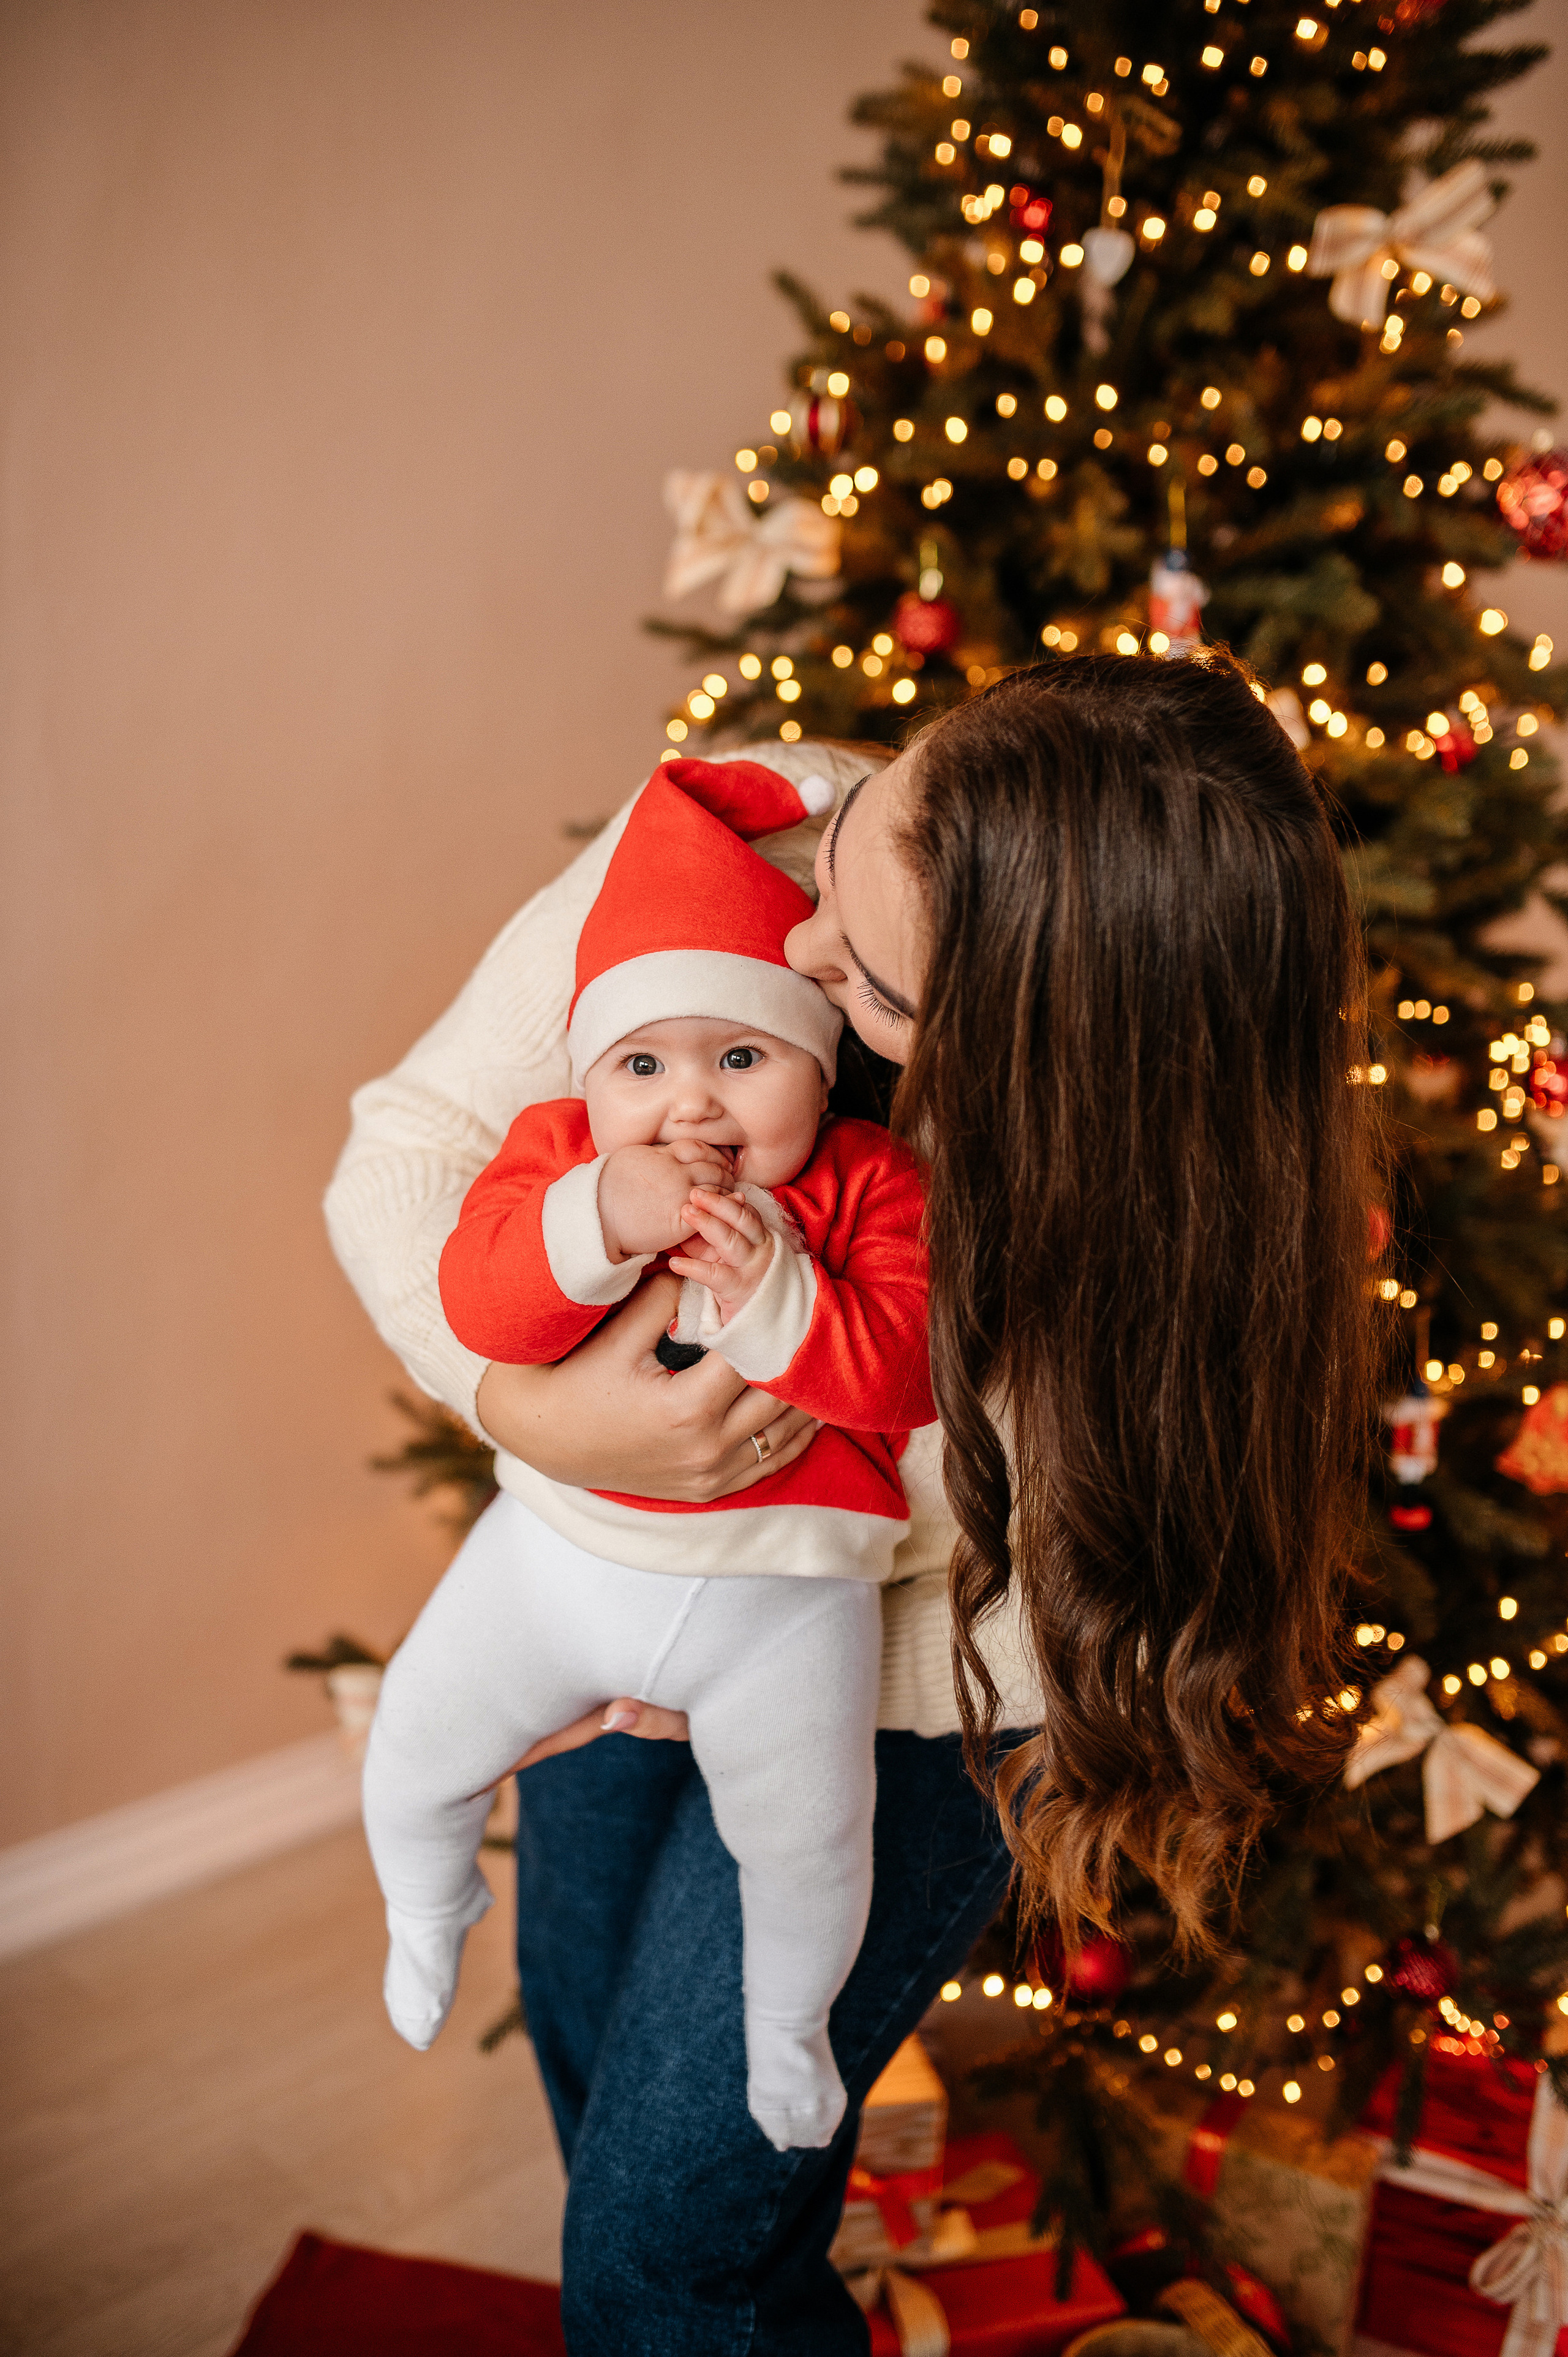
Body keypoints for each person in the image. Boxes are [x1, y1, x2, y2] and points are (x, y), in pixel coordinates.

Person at [325, 651, 1379, 2355]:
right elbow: (412, 1149)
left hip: (907, 1691)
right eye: (856, 840)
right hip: (610, 1557)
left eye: (876, 995)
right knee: (598, 2078)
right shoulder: (754, 833)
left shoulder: (1166, 1211)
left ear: (1052, 1068)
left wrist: (734, 1511)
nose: (799, 946)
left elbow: (1017, 1511)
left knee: (671, 2246)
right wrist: (536, 1412)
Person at [361, 757, 932, 2157]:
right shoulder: (560, 1153)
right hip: (558, 1559)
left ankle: (785, 2028)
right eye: (642, 1065)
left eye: (741, 1059)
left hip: (787, 1593)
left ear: (820, 1063)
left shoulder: (865, 1184)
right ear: (591, 1076)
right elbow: (480, 1298)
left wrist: (778, 1300)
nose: (690, 1107)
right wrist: (590, 1222)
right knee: (414, 1748)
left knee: (807, 1846)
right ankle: (428, 1903)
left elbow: (908, 1368)